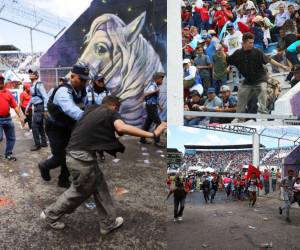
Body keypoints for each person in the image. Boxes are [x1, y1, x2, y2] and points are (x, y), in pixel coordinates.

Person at [40, 96, 167, 231]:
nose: (117, 111)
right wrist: (153, 134)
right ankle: (50, 214)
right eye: (117, 109)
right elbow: (121, 128)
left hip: (77, 156)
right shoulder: (110, 112)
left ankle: (108, 223)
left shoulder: (90, 110)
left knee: (100, 186)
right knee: (79, 192)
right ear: (115, 106)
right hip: (81, 159)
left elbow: (94, 131)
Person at [38, 64, 89, 188]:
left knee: (70, 154)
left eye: (85, 80)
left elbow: (84, 106)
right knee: (61, 156)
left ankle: (63, 180)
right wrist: (90, 119)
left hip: (69, 127)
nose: (83, 82)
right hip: (56, 129)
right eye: (81, 79)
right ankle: (45, 166)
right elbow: (71, 110)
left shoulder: (81, 90)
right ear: (72, 77)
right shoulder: (63, 91)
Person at [226, 32, 289, 119]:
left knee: (262, 90)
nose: (252, 44)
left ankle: (263, 113)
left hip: (260, 79)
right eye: (250, 43)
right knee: (241, 95)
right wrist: (223, 56)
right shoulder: (237, 53)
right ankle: (239, 118)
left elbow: (269, 60)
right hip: (248, 81)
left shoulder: (257, 52)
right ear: (244, 43)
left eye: (253, 42)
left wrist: (282, 66)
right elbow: (228, 60)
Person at [0, 75, 24, 161]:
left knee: (12, 138)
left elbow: (15, 106)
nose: (1, 82)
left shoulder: (8, 93)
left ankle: (8, 154)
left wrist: (21, 117)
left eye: (2, 80)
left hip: (8, 119)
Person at [140, 72, 165, 147]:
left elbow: (154, 98)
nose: (162, 81)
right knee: (159, 123)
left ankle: (142, 139)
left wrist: (159, 106)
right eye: (161, 79)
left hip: (152, 106)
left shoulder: (155, 86)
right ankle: (157, 141)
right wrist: (155, 91)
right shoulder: (152, 86)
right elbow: (146, 94)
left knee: (147, 123)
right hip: (150, 107)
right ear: (157, 79)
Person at [25, 70, 49, 151]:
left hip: (40, 107)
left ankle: (37, 144)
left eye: (32, 74)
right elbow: (33, 98)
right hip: (37, 107)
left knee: (34, 126)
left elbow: (46, 97)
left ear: (36, 76)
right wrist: (28, 107)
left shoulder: (39, 85)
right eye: (30, 73)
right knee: (40, 126)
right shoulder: (33, 85)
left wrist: (45, 109)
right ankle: (44, 142)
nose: (30, 74)